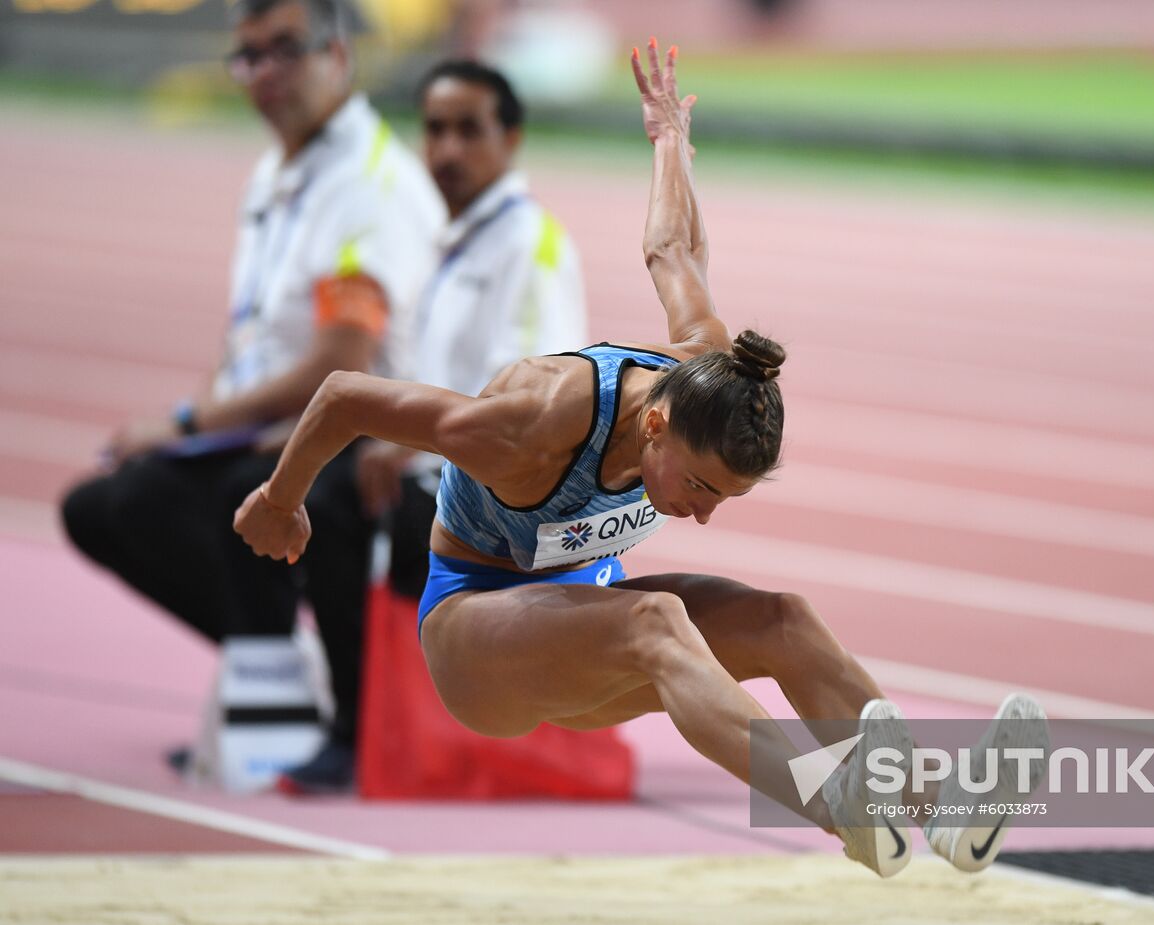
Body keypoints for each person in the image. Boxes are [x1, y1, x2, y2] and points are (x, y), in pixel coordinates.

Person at [235, 40, 1048, 877]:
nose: (699, 514)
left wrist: (669, 142)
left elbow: (674, 251)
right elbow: (345, 393)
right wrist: (279, 498)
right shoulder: (525, 426)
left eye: (722, 499)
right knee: (658, 621)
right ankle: (834, 803)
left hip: (586, 622)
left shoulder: (705, 369)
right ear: (655, 426)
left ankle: (936, 811)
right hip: (477, 640)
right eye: (698, 487)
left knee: (784, 620)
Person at [60, 0, 443, 771]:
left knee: (233, 493)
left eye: (284, 51)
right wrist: (197, 419)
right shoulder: (278, 170)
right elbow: (249, 337)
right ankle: (275, 690)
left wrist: (184, 420)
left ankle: (307, 710)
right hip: (273, 426)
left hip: (363, 438)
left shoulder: (365, 184)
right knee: (104, 506)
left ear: (337, 54)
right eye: (249, 57)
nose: (264, 75)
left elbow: (341, 359)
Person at [280, 59, 588, 793]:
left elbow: (532, 399)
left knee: (335, 506)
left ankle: (365, 730)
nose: (447, 150)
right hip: (449, 467)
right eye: (436, 130)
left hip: (503, 491)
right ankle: (361, 720)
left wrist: (407, 445)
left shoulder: (528, 246)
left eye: (468, 131)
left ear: (510, 139)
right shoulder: (458, 238)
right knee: (320, 491)